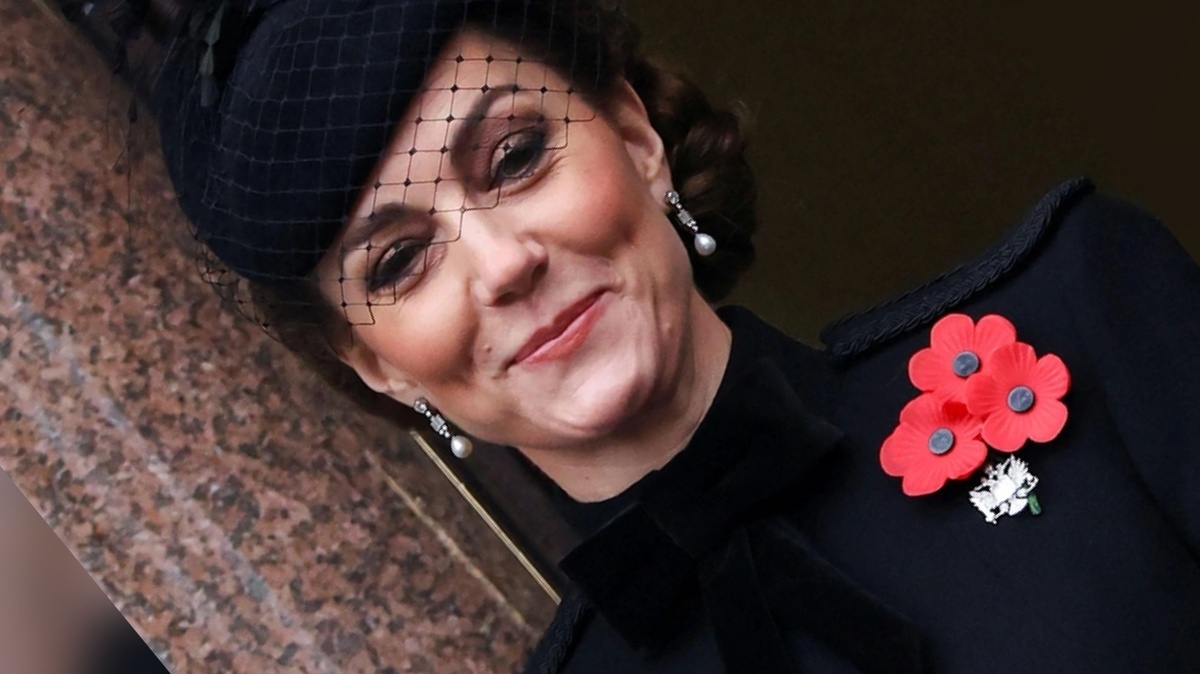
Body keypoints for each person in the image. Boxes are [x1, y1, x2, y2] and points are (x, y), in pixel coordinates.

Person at [147, 0, 1200, 672]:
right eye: (400, 260)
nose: (503, 263)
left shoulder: (1084, 313)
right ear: (376, 363)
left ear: (633, 133)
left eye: (514, 156)